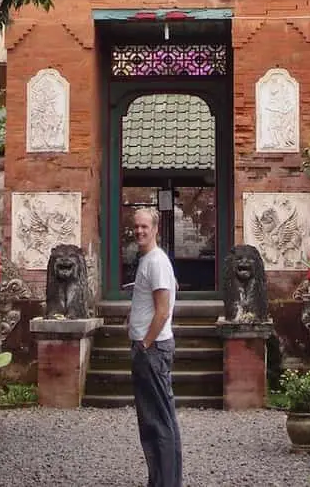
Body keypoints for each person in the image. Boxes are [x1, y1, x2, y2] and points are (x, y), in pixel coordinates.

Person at [127, 207, 182, 487]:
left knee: (159, 422)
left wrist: (146, 343)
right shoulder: (150, 260)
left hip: (153, 349)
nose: (139, 231)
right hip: (149, 347)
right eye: (136, 226)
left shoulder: (157, 261)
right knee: (152, 420)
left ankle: (167, 482)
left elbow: (162, 311)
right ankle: (159, 479)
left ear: (156, 228)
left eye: (144, 227)